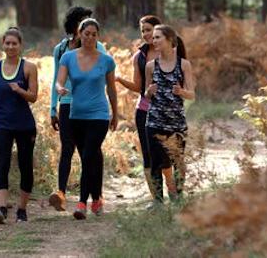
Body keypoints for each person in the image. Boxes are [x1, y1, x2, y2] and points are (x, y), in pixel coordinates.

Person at [56, 18, 118, 220]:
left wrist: (115, 114)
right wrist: (60, 89)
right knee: (88, 158)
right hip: (76, 115)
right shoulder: (68, 57)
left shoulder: (106, 60)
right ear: (79, 34)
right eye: (86, 33)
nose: (90, 37)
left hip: (99, 115)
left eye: (94, 34)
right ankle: (97, 198)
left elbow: (111, 89)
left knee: (89, 155)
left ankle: (82, 204)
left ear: (97, 37)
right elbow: (59, 81)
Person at [49, 7, 107, 212]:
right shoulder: (62, 49)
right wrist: (52, 109)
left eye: (91, 25)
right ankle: (60, 194)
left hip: (90, 108)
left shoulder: (99, 48)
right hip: (66, 105)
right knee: (67, 148)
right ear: (75, 26)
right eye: (83, 24)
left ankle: (95, 197)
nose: (87, 28)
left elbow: (104, 77)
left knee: (89, 153)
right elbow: (56, 79)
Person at [116, 15, 177, 200]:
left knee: (165, 153)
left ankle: (172, 191)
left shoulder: (170, 53)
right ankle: (156, 199)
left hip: (166, 111)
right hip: (143, 111)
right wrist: (119, 79)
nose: (146, 34)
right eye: (143, 30)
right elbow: (138, 87)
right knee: (149, 156)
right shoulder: (139, 56)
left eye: (149, 29)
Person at [0, 27, 38, 224]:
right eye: (8, 43)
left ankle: (22, 210)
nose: (11, 46)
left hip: (25, 125)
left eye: (15, 43)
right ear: (3, 44)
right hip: (2, 124)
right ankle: (2, 209)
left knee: (25, 166)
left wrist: (19, 90)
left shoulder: (29, 67)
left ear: (20, 45)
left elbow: (34, 97)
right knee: (2, 164)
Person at [144, 24, 195, 204]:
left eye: (158, 37)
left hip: (176, 123)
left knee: (178, 161)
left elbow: (192, 94)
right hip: (154, 121)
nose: (154, 40)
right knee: (156, 162)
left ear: (170, 40)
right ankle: (158, 201)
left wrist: (182, 92)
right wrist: (149, 92)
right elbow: (145, 94)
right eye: (154, 37)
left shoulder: (183, 64)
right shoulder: (151, 66)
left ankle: (178, 198)